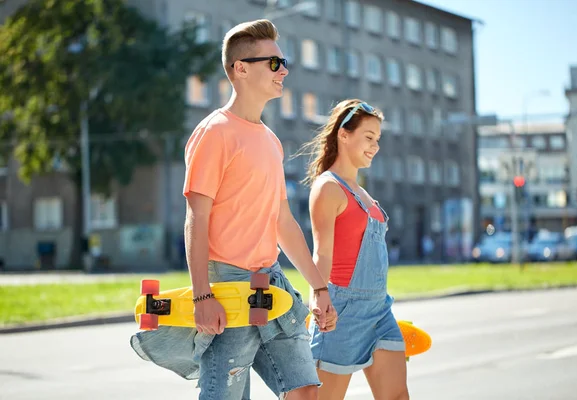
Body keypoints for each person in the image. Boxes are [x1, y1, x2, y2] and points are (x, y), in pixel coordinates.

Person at [130, 19, 337, 400]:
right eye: (274, 63)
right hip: (227, 290)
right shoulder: (214, 132)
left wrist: (318, 286)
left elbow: (282, 221)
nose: (284, 70)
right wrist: (202, 297)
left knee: (305, 393)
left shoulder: (271, 142)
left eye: (283, 61)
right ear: (240, 69)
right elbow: (196, 218)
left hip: (270, 284)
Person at [302, 99, 410, 399]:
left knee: (397, 396)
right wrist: (319, 297)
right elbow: (321, 252)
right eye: (368, 138)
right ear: (344, 134)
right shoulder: (328, 187)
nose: (375, 146)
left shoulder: (362, 192)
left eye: (377, 139)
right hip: (342, 311)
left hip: (379, 309)